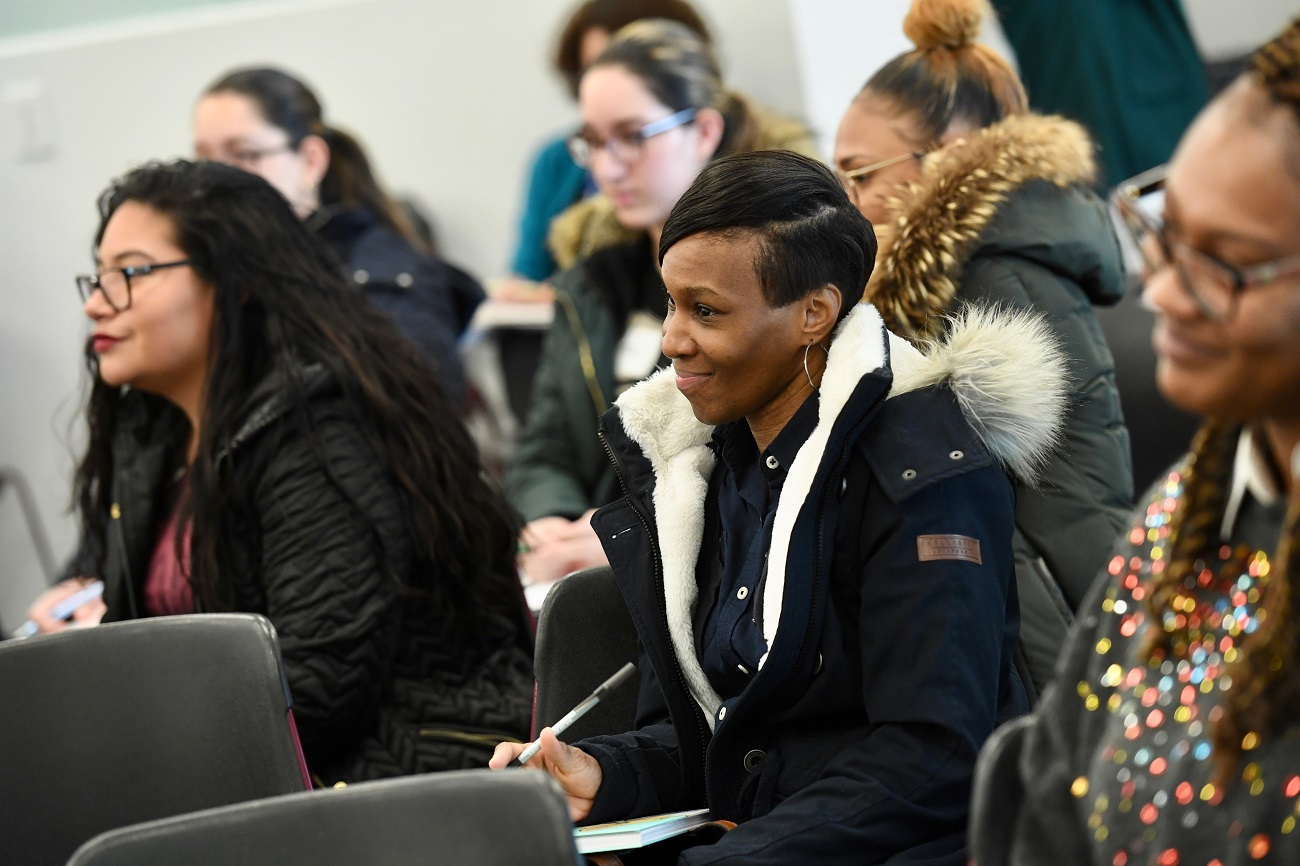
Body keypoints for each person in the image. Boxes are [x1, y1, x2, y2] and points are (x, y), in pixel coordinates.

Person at [492, 149, 1069, 865]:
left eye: (706, 311)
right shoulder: (701, 472)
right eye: (671, 303)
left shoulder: (923, 474)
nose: (672, 340)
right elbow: (722, 740)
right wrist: (605, 774)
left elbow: (932, 760)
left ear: (813, 314)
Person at [27, 160, 533, 783]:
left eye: (130, 273)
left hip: (398, 781)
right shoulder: (152, 434)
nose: (97, 304)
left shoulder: (321, 430)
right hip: (253, 770)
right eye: (99, 275)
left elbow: (314, 692)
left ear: (234, 280)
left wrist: (120, 740)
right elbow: (142, 648)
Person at [969, 18, 1300, 864]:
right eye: (1163, 229)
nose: (1162, 294)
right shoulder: (1182, 517)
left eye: (1224, 263)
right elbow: (1053, 803)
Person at [832, 0, 1133, 696]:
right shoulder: (970, 267)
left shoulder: (996, 278)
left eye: (863, 176)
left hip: (1056, 642)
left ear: (949, 155)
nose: (850, 204)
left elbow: (1044, 526)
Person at [505, 19, 817, 585]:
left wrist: (628, 535)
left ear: (704, 131)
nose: (608, 167)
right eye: (593, 142)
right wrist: (550, 520)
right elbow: (544, 448)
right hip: (596, 570)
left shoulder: (776, 281)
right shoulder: (591, 284)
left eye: (632, 136)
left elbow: (772, 467)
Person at [193, 67, 483, 405]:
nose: (214, 180)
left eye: (244, 154)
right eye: (203, 159)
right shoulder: (207, 268)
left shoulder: (389, 279)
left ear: (311, 160)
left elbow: (419, 416)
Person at [506, 0, 712, 285]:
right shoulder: (556, 160)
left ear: (704, 132)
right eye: (595, 66)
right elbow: (526, 276)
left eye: (633, 136)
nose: (605, 172)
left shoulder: (759, 220)